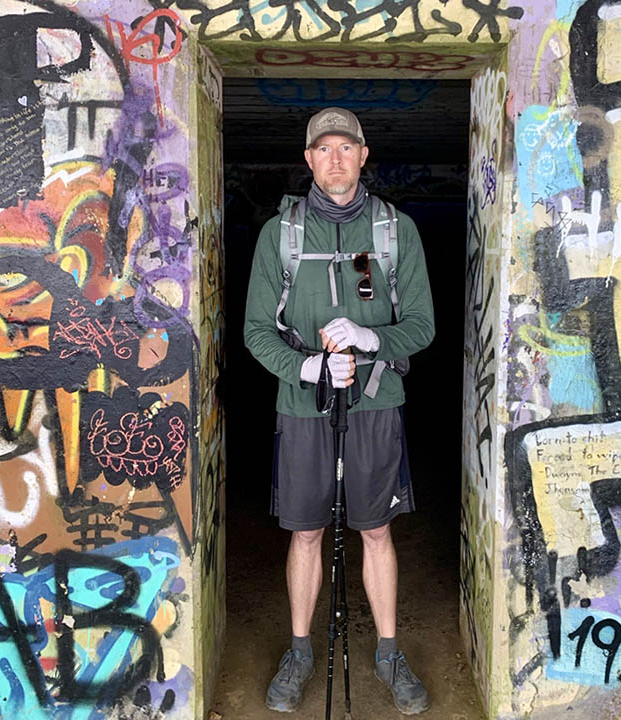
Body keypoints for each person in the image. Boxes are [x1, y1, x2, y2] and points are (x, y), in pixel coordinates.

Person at [244, 107, 435, 715]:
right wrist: (308, 367)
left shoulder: (394, 230)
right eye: (322, 148)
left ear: (363, 154)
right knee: (305, 531)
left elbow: (423, 326)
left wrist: (372, 338)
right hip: (302, 405)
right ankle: (300, 652)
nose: (334, 158)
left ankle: (387, 651)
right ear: (308, 159)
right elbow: (255, 331)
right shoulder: (281, 235)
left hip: (378, 400)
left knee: (376, 528)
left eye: (344, 147)